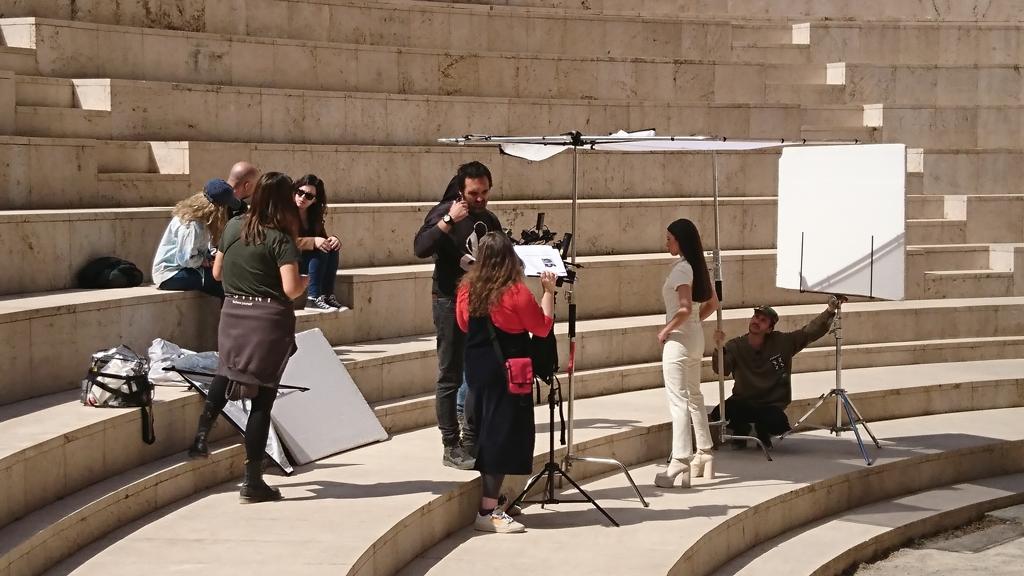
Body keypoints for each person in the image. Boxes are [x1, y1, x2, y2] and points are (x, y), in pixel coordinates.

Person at [186, 172, 307, 504]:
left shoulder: (233, 226)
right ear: (283, 202)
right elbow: (291, 289)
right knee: (261, 401)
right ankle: (252, 482)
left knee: (228, 369)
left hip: (232, 314)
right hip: (266, 322)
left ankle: (201, 433)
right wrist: (306, 281)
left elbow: (217, 273)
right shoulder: (279, 238)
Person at [456, 232, 556, 533]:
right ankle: (488, 512)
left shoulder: (466, 289)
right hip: (507, 375)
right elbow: (541, 327)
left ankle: (498, 500)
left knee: (489, 434)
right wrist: (548, 293)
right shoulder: (515, 292)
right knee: (499, 440)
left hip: (477, 371)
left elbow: (462, 324)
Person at [413, 161, 502, 470]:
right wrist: (450, 220)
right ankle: (450, 444)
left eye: (485, 192)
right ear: (461, 191)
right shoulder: (444, 214)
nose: (480, 199)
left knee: (477, 373)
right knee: (450, 375)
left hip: (481, 304)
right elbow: (420, 247)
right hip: (449, 301)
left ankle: (471, 439)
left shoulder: (489, 219)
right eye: (474, 193)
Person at [709, 297, 844, 449]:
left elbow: (808, 333)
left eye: (763, 320)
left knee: (777, 423)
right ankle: (742, 429)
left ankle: (763, 432)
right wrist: (718, 349)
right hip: (743, 401)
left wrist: (830, 310)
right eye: (756, 317)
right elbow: (722, 370)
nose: (756, 321)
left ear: (769, 328)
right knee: (719, 413)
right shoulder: (735, 345)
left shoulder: (782, 342)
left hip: (769, 404)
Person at [654, 219, 720, 489]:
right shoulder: (697, 267)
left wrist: (666, 331)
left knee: (678, 400)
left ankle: (680, 459)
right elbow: (712, 304)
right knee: (694, 396)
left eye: (670, 238)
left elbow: (683, 309)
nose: (666, 242)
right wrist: (692, 323)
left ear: (680, 240)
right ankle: (704, 452)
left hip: (680, 340)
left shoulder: (683, 269)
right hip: (695, 337)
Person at [151, 183, 231, 298]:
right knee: (221, 280)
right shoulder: (191, 225)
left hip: (186, 268)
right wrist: (204, 262)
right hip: (171, 274)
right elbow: (186, 259)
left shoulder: (201, 221)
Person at [293, 174, 343, 310]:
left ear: (314, 200)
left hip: (306, 260)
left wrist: (333, 239)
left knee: (331, 248)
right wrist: (313, 241)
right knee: (319, 249)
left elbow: (321, 239)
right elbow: (282, 241)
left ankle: (327, 296)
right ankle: (312, 298)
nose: (302, 197)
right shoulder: (285, 212)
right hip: (288, 260)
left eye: (308, 196)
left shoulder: (314, 215)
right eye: (300, 192)